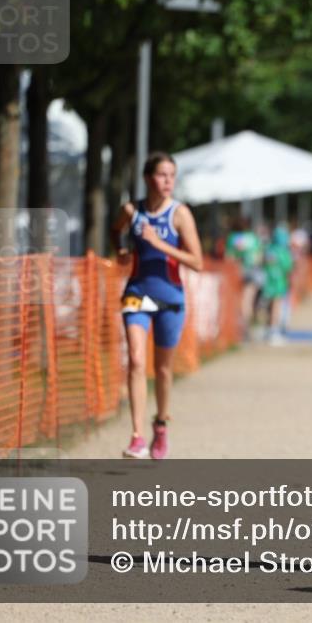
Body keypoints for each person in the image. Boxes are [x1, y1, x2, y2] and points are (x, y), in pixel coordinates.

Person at [112, 152, 203, 460]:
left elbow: (198, 261)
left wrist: (160, 243)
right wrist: (122, 250)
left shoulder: (179, 214)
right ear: (148, 178)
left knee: (162, 369)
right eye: (162, 175)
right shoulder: (131, 210)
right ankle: (137, 436)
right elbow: (115, 230)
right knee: (137, 361)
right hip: (137, 292)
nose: (168, 182)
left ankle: (160, 424)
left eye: (172, 176)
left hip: (170, 298)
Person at [224, 218, 264, 340]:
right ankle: (247, 329)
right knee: (248, 301)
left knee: (238, 301)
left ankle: (240, 329)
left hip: (237, 272)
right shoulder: (253, 237)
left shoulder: (232, 237)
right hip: (253, 271)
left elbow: (228, 257)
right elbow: (259, 256)